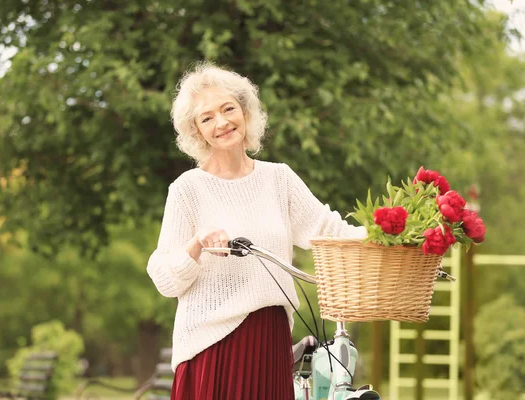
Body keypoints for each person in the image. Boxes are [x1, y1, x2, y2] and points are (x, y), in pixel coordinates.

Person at [146, 62, 366, 399]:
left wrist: (390, 236)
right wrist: (197, 244)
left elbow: (329, 230)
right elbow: (165, 278)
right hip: (210, 346)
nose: (221, 122)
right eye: (207, 118)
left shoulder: (279, 179)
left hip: (269, 338)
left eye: (228, 109)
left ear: (245, 112)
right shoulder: (187, 189)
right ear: (196, 131)